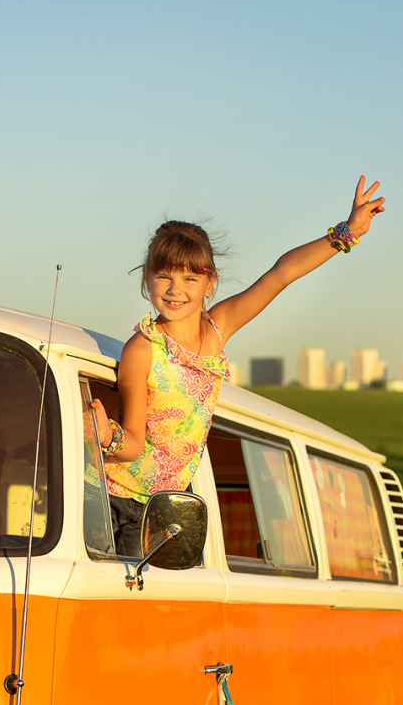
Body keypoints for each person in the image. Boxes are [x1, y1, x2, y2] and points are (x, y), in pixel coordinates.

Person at [92, 176, 386, 555]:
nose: (174, 289)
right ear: (147, 278)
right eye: (163, 275)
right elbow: (131, 443)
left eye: (189, 277)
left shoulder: (217, 330)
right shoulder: (143, 349)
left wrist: (346, 232)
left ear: (209, 282)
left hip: (164, 507)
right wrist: (105, 436)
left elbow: (280, 275)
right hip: (117, 503)